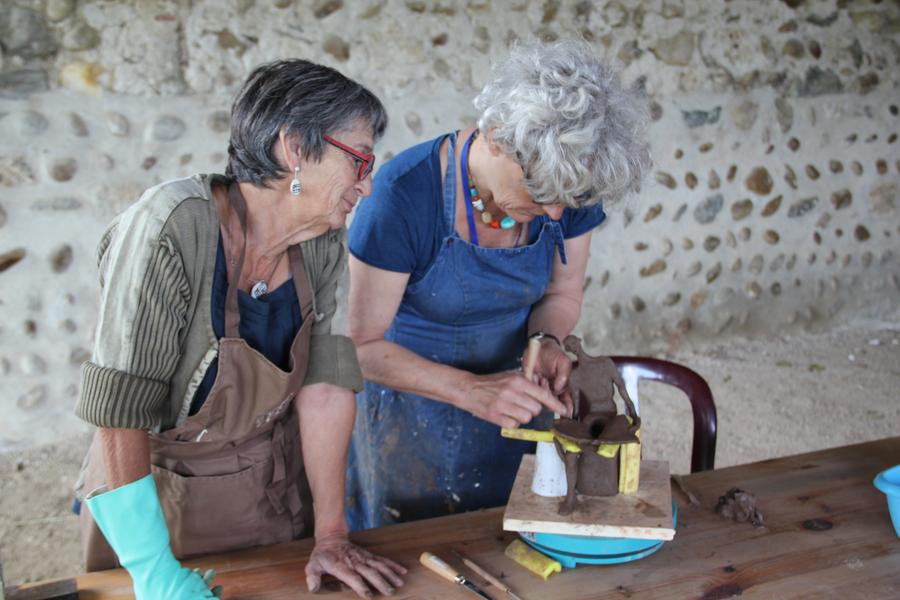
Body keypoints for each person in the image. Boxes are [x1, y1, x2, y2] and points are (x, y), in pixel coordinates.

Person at [73, 59, 406, 599]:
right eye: (360, 161)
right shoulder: (171, 228)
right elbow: (119, 414)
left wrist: (331, 534)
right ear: (294, 146)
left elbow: (324, 388)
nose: (366, 187)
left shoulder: (321, 241)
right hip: (156, 509)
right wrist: (153, 571)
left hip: (267, 495)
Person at [345, 39, 650, 530]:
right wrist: (468, 389)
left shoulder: (569, 185)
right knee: (408, 546)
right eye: (541, 192)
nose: (555, 214)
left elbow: (562, 293)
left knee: (507, 535)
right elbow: (359, 347)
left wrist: (545, 339)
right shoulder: (401, 197)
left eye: (566, 201)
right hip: (407, 409)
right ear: (495, 137)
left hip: (515, 400)